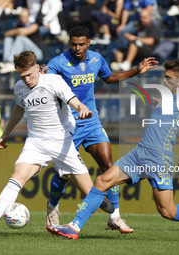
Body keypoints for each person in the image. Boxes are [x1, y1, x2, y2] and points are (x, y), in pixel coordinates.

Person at [46, 58, 179, 240]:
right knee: (102, 181)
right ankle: (74, 227)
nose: (164, 80)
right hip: (139, 153)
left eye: (168, 78)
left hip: (159, 159)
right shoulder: (168, 96)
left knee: (168, 211)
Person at [0, 51, 113, 234]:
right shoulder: (19, 87)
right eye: (23, 76)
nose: (27, 79)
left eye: (30, 74)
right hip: (36, 143)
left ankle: (106, 206)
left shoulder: (53, 81)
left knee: (93, 196)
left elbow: (73, 101)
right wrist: (5, 134)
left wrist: (82, 107)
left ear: (38, 68)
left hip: (62, 142)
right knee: (17, 176)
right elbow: (18, 108)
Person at [44, 25, 161, 234]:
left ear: (89, 43)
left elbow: (109, 77)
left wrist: (136, 70)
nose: (77, 48)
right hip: (68, 125)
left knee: (109, 167)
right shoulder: (58, 63)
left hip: (92, 123)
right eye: (73, 44)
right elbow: (45, 86)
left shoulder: (97, 59)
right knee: (63, 173)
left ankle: (114, 217)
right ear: (69, 43)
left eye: (81, 44)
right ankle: (53, 207)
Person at [0, 7, 43, 74]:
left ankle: (11, 62)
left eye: (25, 16)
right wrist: (18, 31)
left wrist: (17, 31)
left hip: (37, 54)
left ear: (29, 16)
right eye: (21, 16)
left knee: (20, 38)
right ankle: (6, 61)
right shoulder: (18, 25)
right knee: (8, 39)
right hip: (25, 54)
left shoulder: (34, 24)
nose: (23, 18)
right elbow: (6, 34)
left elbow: (23, 32)